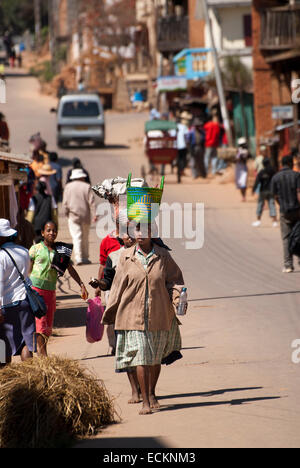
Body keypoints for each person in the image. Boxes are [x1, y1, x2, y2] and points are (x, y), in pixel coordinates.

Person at [102, 223, 185, 415]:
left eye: (144, 231)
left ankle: (152, 392)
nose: (139, 234)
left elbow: (174, 280)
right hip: (132, 314)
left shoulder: (163, 256)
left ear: (152, 233)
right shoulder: (125, 256)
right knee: (141, 357)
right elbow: (117, 286)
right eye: (136, 230)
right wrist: (111, 311)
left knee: (154, 359)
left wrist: (178, 298)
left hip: (158, 313)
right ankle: (145, 401)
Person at [29, 220, 88, 356]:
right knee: (41, 324)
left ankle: (42, 353)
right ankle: (43, 356)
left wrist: (81, 284)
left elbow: (70, 269)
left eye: (54, 230)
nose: (52, 233)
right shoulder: (35, 249)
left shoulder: (61, 250)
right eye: (48, 230)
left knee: (48, 327)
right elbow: (27, 268)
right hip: (36, 290)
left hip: (51, 291)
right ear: (43, 233)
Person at [0, 219, 35, 365]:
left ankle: (5, 377)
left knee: (3, 343)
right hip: (26, 302)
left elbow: (0, 283)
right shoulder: (24, 251)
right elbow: (27, 274)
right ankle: (31, 376)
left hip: (7, 304)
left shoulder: (1, 256)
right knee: (26, 341)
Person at [271, 155, 300, 273]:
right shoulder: (297, 175)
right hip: (297, 210)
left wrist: (281, 205)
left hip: (284, 211)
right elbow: (299, 194)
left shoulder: (275, 177)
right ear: (290, 163)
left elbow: (275, 196)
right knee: (299, 236)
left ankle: (288, 265)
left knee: (286, 238)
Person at [63, 168, 97, 265]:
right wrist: (94, 215)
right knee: (85, 237)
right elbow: (92, 202)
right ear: (82, 177)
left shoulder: (68, 187)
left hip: (73, 215)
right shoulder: (87, 186)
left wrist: (66, 214)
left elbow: (65, 203)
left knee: (76, 236)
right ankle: (85, 257)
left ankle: (79, 257)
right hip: (85, 216)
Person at [252, 158, 277, 227]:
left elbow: (257, 181)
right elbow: (276, 180)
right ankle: (274, 221)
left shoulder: (261, 172)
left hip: (262, 191)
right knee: (272, 205)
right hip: (271, 190)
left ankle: (258, 221)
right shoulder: (272, 171)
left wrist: (253, 190)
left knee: (260, 205)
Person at [203, 111, 221, 176]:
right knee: (214, 157)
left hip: (208, 144)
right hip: (215, 144)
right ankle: (213, 171)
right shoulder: (216, 125)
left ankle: (206, 171)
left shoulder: (207, 125)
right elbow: (218, 134)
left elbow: (204, 132)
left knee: (207, 157)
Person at [235, 137, 250, 202]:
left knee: (243, 182)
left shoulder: (246, 151)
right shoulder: (239, 150)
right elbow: (236, 159)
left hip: (243, 167)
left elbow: (246, 158)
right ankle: (243, 196)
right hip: (238, 167)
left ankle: (244, 196)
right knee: (240, 183)